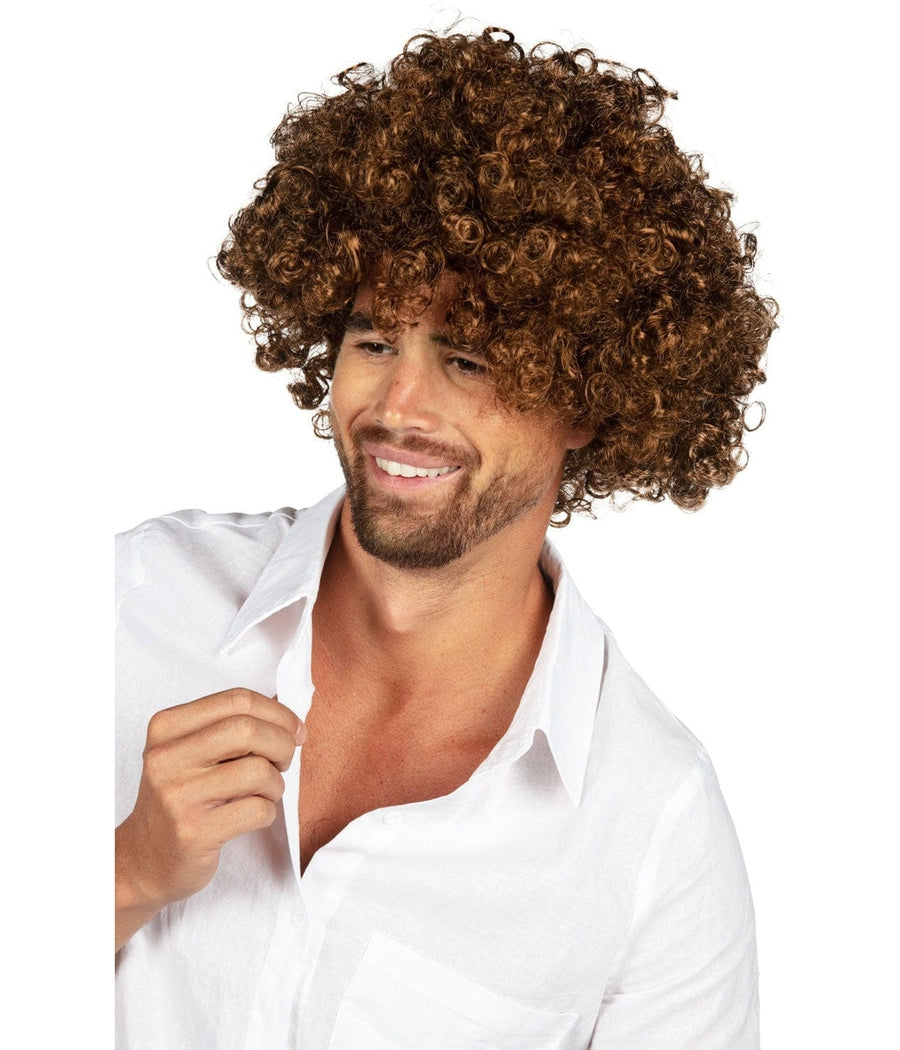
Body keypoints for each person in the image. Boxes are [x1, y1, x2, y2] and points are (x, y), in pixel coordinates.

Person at [115, 27, 776, 1049]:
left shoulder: (653, 836)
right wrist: (125, 874)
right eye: (375, 340)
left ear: (589, 400)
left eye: (469, 360)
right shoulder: (131, 604)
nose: (398, 406)